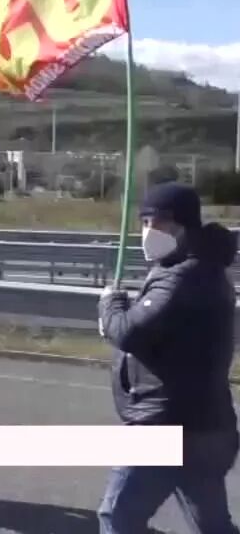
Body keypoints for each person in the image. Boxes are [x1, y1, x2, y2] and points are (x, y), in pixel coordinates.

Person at [97, 182, 239, 534]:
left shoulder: (182, 278)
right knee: (213, 526)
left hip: (166, 424)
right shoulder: (204, 269)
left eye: (158, 223)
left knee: (117, 518)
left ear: (184, 226)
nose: (149, 232)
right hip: (206, 425)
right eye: (144, 222)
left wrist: (109, 304)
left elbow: (128, 331)